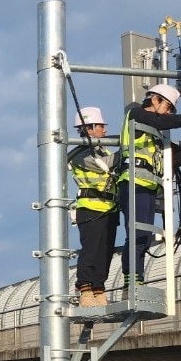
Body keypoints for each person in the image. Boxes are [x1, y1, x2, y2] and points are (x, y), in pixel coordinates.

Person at [117, 84, 181, 288]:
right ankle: (132, 281)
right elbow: (158, 120)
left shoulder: (156, 135)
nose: (169, 113)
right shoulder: (136, 115)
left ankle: (136, 280)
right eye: (169, 107)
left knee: (145, 235)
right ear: (155, 100)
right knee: (138, 233)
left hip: (147, 186)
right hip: (133, 183)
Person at [68, 107, 118, 307]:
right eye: (101, 127)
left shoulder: (102, 149)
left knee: (105, 251)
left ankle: (99, 289)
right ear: (90, 128)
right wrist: (128, 150)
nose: (104, 131)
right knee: (91, 250)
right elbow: (104, 165)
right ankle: (85, 289)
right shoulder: (79, 153)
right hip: (90, 209)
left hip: (109, 208)